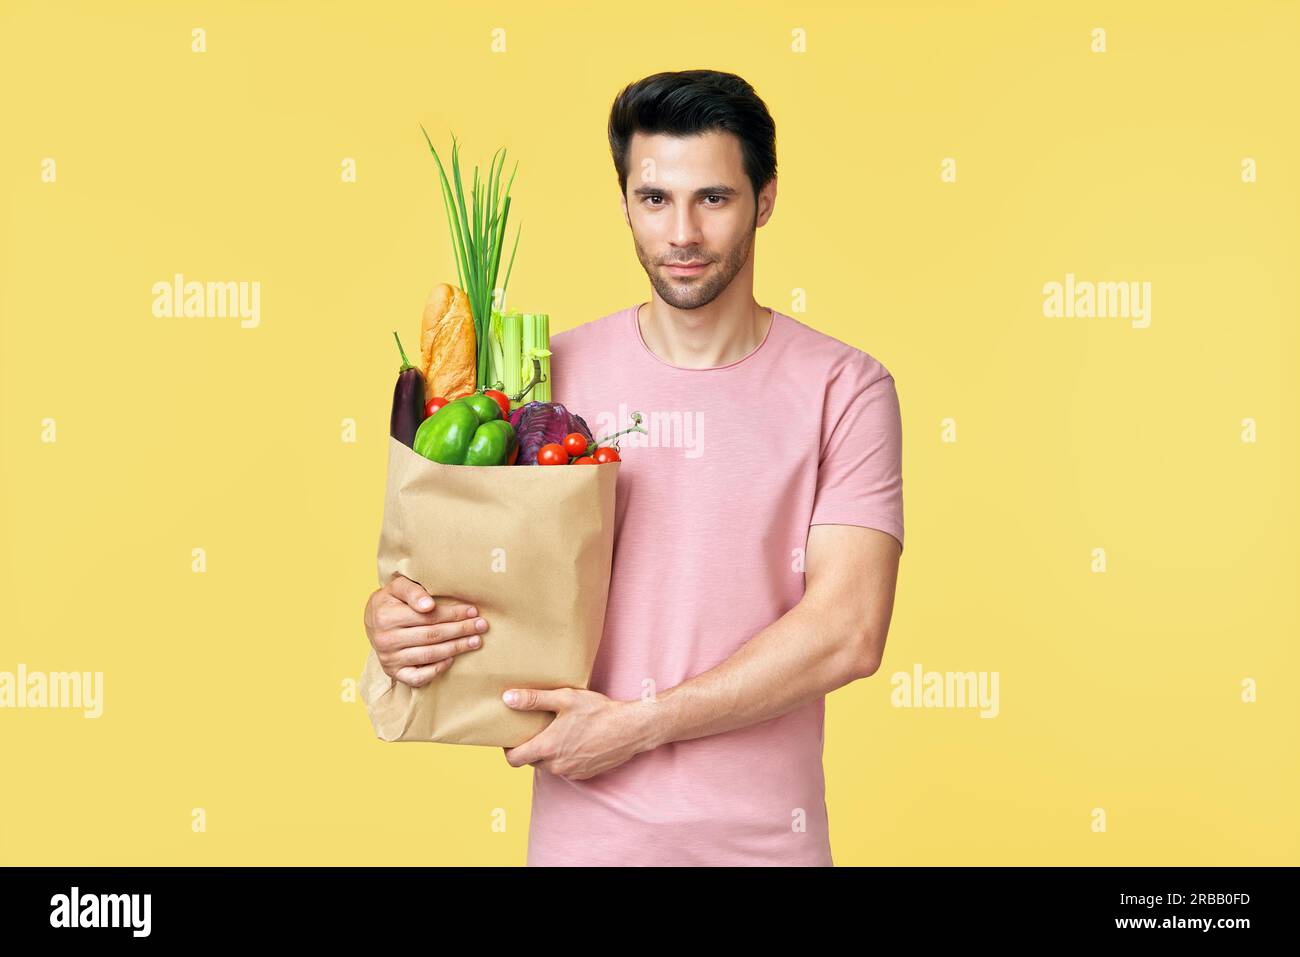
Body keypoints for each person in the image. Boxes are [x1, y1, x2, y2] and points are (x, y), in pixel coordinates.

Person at [363, 69, 904, 866]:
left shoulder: (845, 388)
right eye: (655, 199)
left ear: (766, 198)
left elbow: (849, 631)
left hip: (767, 847)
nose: (681, 231)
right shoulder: (546, 381)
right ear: (624, 204)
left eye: (712, 198)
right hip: (585, 844)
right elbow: (481, 578)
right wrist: (401, 621)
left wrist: (640, 723)